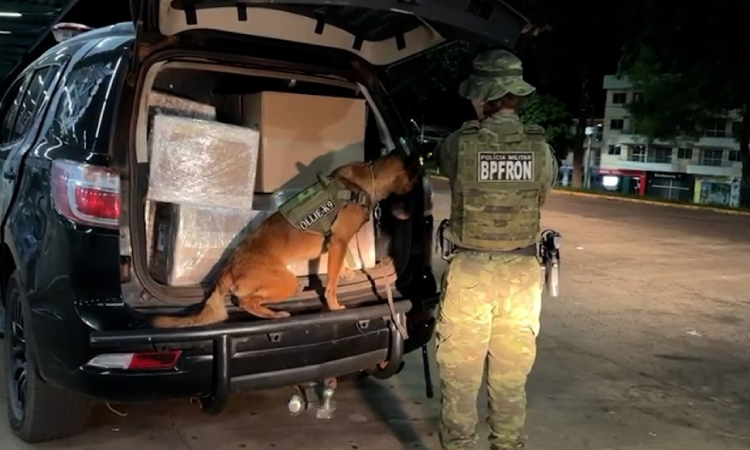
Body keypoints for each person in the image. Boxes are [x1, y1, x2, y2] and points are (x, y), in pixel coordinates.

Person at [433, 49, 558, 450]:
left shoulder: (459, 144)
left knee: (459, 376)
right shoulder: (540, 149)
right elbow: (544, 189)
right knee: (510, 378)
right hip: (522, 275)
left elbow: (444, 164)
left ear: (483, 95)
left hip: (471, 273)